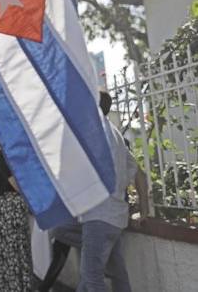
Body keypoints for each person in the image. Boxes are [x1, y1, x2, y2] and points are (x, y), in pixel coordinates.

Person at [39, 91, 149, 292]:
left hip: (99, 217)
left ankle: (95, 249)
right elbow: (140, 174)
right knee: (114, 271)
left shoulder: (92, 133)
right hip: (114, 218)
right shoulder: (114, 133)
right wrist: (144, 210)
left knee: (92, 278)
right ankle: (96, 249)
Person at [0, 146, 33, 292]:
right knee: (14, 257)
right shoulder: (4, 158)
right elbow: (18, 186)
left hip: (2, 212)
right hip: (11, 214)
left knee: (3, 260)